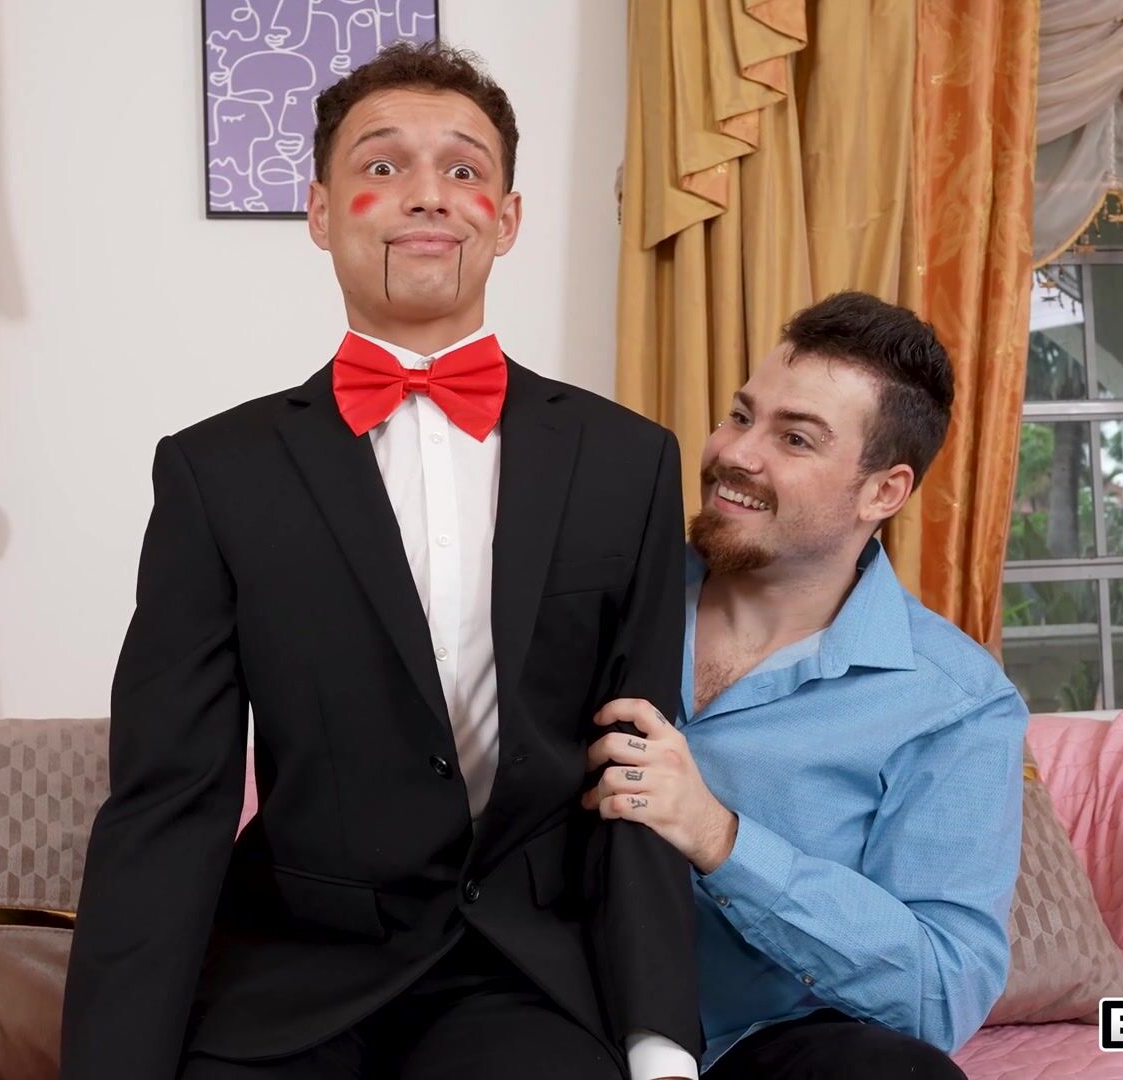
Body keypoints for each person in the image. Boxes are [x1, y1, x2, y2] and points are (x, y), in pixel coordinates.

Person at [62, 42, 701, 1080]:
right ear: (320, 213)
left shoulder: (630, 462)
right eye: (382, 165)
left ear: (507, 218)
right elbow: (170, 796)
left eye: (463, 169)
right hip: (293, 973)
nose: (427, 195)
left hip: (521, 978)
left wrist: (659, 1042)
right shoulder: (215, 473)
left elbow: (637, 773)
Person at [583, 292, 1027, 1078]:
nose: (737, 454)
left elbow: (940, 993)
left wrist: (723, 841)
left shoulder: (954, 702)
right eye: (740, 415)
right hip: (559, 1019)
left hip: (767, 1051)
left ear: (882, 492)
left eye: (794, 438)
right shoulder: (600, 596)